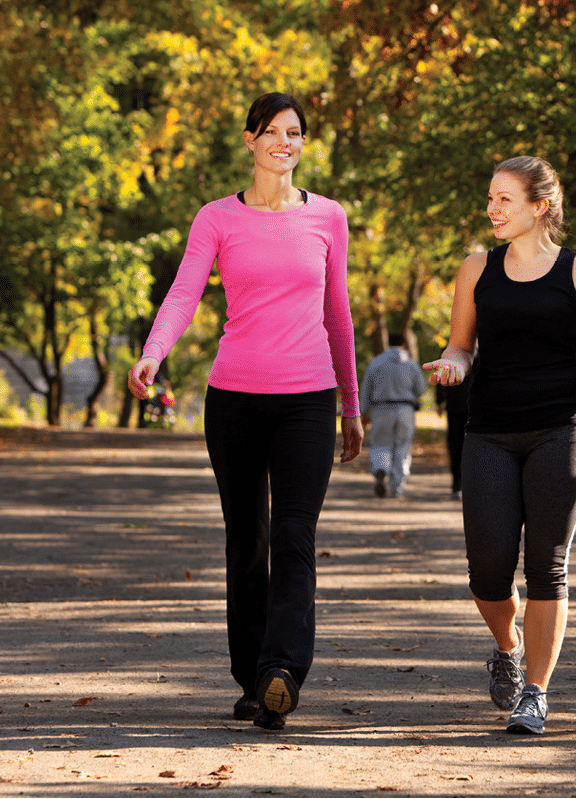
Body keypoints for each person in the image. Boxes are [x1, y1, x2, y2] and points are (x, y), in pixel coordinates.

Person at [127, 92, 363, 732]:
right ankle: (251, 675)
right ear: (250, 139)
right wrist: (153, 356)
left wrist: (350, 402)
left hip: (308, 401)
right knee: (247, 540)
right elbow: (182, 295)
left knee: (294, 536)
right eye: (275, 131)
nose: (287, 142)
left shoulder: (329, 218)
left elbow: (337, 314)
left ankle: (281, 671)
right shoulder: (216, 219)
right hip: (233, 400)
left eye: (297, 133)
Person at [424, 155, 576, 735]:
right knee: (488, 573)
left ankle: (536, 693)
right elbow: (462, 346)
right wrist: (451, 363)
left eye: (504, 200)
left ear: (539, 207)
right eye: (491, 199)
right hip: (490, 430)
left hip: (561, 429)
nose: (492, 209)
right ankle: (507, 643)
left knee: (547, 565)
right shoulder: (476, 270)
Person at [359, 332, 428, 499]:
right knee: (402, 448)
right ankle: (397, 487)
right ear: (404, 344)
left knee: (381, 443)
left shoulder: (376, 362)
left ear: (387, 342)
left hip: (381, 409)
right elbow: (421, 389)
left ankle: (381, 469)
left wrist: (363, 412)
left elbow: (366, 389)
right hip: (405, 409)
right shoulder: (411, 364)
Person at [434, 352, 476, 500]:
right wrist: (439, 401)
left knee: (458, 445)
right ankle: (459, 484)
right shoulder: (452, 351)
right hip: (465, 407)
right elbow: (441, 378)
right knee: (459, 446)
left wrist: (439, 401)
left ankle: (460, 484)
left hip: (461, 406)